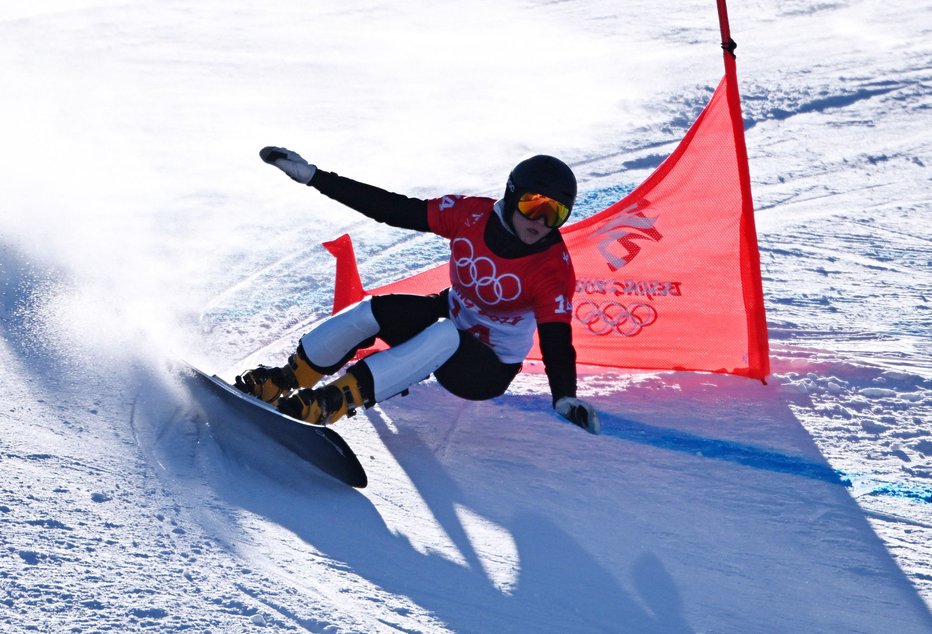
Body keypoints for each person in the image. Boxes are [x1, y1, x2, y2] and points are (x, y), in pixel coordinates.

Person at [234, 146, 601, 434]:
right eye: (532, 205)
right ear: (511, 194)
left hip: (485, 369)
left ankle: (330, 403)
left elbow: (556, 338)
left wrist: (564, 396)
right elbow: (395, 210)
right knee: (373, 311)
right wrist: (315, 177)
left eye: (554, 214)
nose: (540, 222)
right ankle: (286, 379)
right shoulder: (470, 214)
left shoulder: (551, 268)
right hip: (451, 317)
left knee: (444, 334)